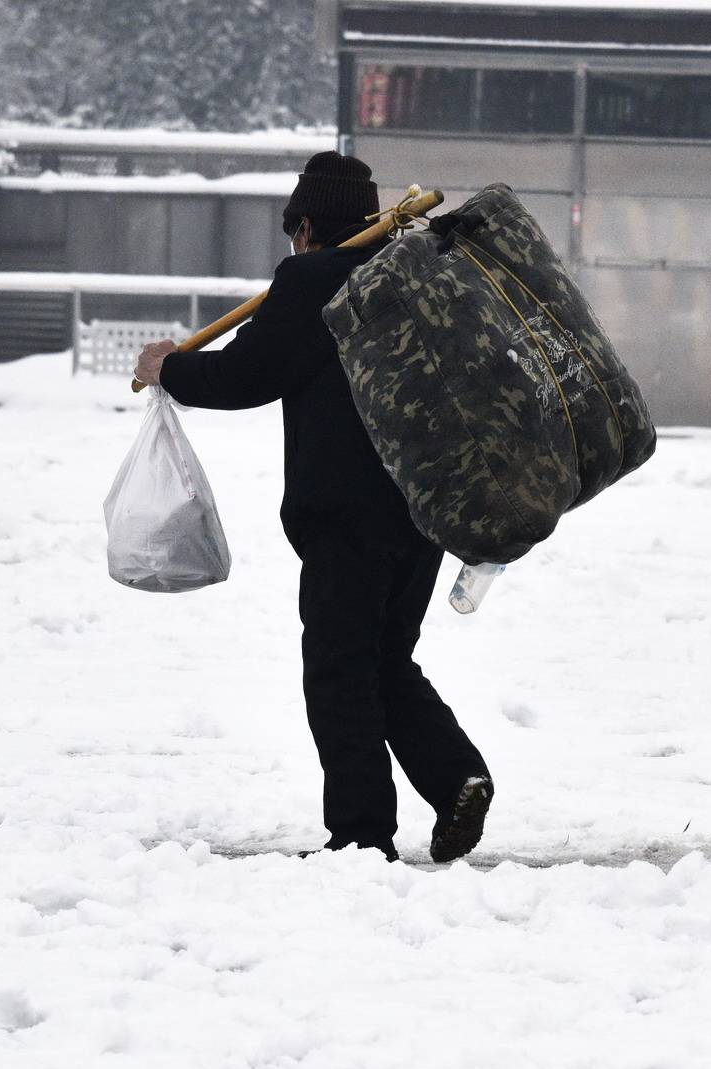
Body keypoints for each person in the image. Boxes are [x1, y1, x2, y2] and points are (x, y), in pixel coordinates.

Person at [130, 152, 493, 864]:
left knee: (338, 673)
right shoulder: (417, 273)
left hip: (344, 516)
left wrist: (167, 366)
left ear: (304, 226)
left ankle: (360, 836)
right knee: (384, 659)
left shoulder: (313, 279)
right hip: (425, 506)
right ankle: (457, 779)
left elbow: (246, 374)